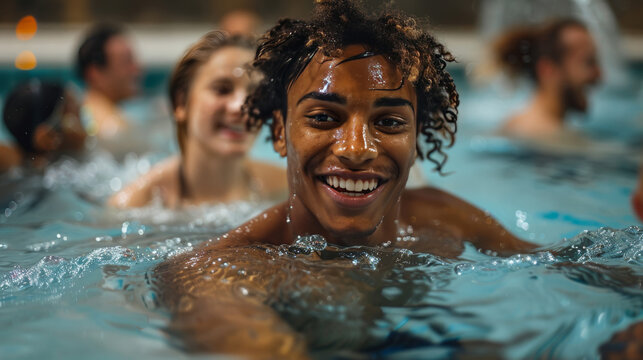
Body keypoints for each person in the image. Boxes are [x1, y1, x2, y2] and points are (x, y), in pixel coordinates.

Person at [154, 1, 538, 357]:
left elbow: (560, 266)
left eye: (389, 122)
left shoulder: (442, 218)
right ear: (279, 134)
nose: (358, 149)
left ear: (415, 138)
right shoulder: (216, 273)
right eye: (323, 117)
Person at [109, 31, 286, 208]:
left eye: (256, 93)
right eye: (222, 89)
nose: (242, 106)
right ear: (181, 103)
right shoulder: (133, 205)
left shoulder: (284, 188)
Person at [494, 19, 601, 141]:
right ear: (548, 69)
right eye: (589, 62)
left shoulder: (514, 123)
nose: (600, 75)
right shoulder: (554, 138)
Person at [76, 24, 141, 153]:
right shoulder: (113, 129)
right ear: (95, 73)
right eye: (127, 62)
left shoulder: (84, 114)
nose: (137, 69)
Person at [1, 80, 86, 172]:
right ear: (46, 136)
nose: (79, 107)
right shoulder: (64, 171)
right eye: (70, 109)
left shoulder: (19, 170)